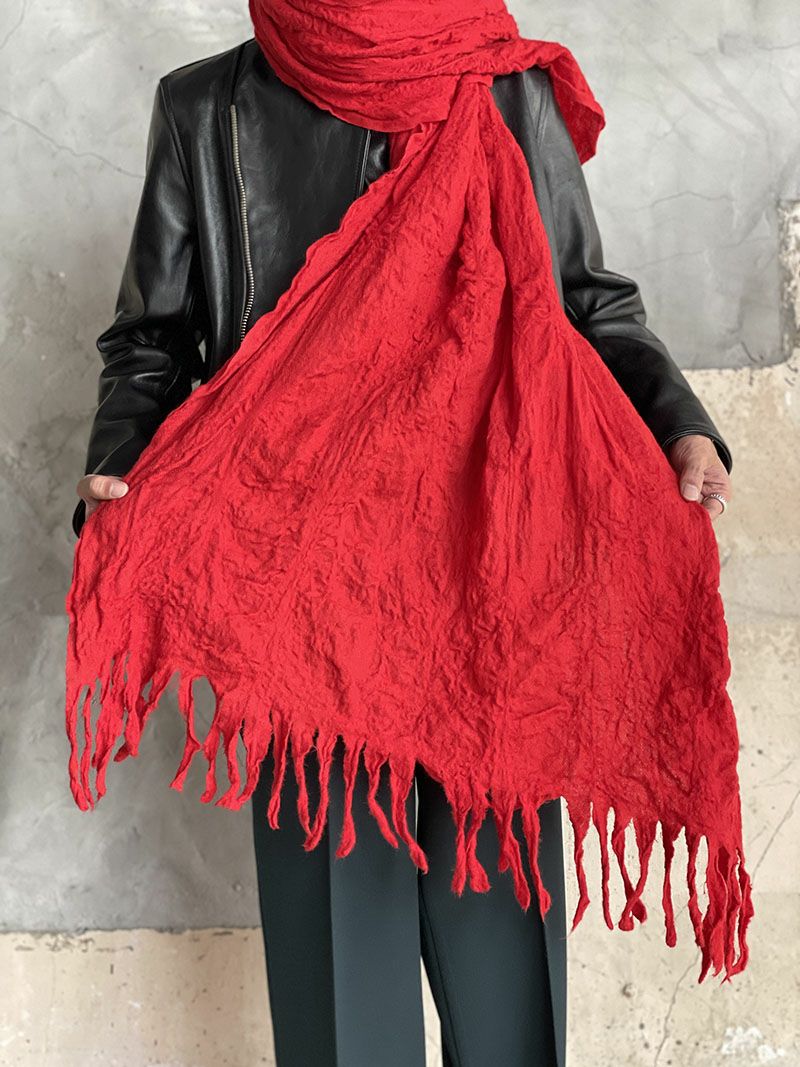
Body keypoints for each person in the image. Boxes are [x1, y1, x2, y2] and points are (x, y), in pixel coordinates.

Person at [71, 32, 733, 1067]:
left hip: (493, 583)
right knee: (344, 1011)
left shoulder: (507, 86)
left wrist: (678, 425)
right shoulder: (206, 106)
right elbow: (150, 339)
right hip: (304, 606)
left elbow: (586, 304)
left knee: (507, 988)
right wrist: (122, 463)